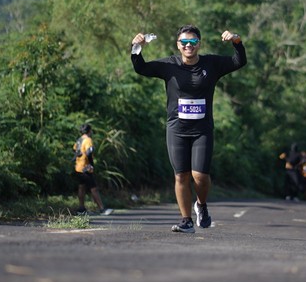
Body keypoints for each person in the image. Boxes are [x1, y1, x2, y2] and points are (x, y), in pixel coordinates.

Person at [131, 25, 246, 233]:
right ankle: (186, 221)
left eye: (192, 42)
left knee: (200, 176)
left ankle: (201, 205)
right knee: (181, 176)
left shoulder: (211, 64)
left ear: (199, 44)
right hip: (176, 129)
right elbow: (141, 68)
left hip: (202, 129)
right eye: (184, 42)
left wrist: (236, 41)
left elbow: (239, 61)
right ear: (178, 45)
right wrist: (136, 47)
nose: (188, 45)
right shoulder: (169, 65)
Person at [73, 123, 113, 216]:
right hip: (86, 167)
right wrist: (91, 164)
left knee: (81, 187)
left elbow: (74, 150)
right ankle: (102, 209)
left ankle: (81, 208)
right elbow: (89, 152)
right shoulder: (88, 140)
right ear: (89, 131)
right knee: (94, 188)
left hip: (78, 167)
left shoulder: (79, 140)